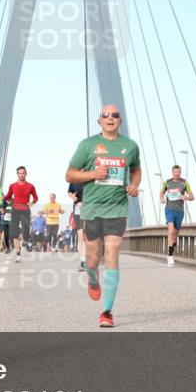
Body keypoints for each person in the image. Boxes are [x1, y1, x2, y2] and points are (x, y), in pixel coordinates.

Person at [65, 105, 140, 328]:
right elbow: (69, 173)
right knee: (93, 259)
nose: (110, 118)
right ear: (99, 121)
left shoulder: (130, 146)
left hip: (117, 208)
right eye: (105, 115)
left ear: (120, 120)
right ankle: (93, 277)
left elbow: (136, 170)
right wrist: (92, 174)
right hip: (92, 210)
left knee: (112, 252)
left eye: (114, 115)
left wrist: (134, 185)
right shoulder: (87, 145)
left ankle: (107, 312)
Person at [159, 164, 195, 268]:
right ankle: (170, 257)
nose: (177, 174)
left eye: (179, 172)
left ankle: (171, 249)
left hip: (179, 211)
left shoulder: (184, 183)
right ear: (172, 173)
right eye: (175, 172)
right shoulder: (167, 183)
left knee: (175, 236)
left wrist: (186, 197)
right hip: (169, 209)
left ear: (180, 173)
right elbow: (161, 193)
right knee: (170, 231)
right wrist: (162, 199)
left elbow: (192, 197)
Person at [4, 166, 38, 262]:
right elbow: (8, 196)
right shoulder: (12, 185)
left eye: (23, 173)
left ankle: (25, 243)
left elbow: (36, 198)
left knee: (25, 232)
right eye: (20, 173)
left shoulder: (30, 186)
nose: (21, 175)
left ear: (26, 174)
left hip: (25, 210)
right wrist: (3, 198)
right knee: (14, 233)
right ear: (17, 174)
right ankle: (18, 255)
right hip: (15, 210)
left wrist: (32, 203)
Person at [68, 182, 85, 270]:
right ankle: (83, 261)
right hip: (78, 208)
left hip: (91, 208)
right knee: (81, 235)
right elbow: (70, 191)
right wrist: (73, 197)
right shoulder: (74, 180)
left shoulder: (92, 177)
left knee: (90, 235)